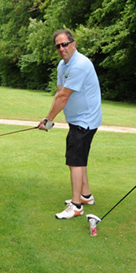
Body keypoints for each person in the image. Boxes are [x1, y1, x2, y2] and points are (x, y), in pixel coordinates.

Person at [38, 30, 102, 219]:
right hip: (77, 119)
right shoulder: (62, 65)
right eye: (58, 46)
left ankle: (76, 206)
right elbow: (60, 92)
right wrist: (50, 118)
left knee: (74, 160)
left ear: (73, 43)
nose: (61, 48)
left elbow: (65, 96)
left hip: (86, 120)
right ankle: (86, 196)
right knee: (79, 158)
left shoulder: (80, 65)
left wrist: (48, 119)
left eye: (65, 44)